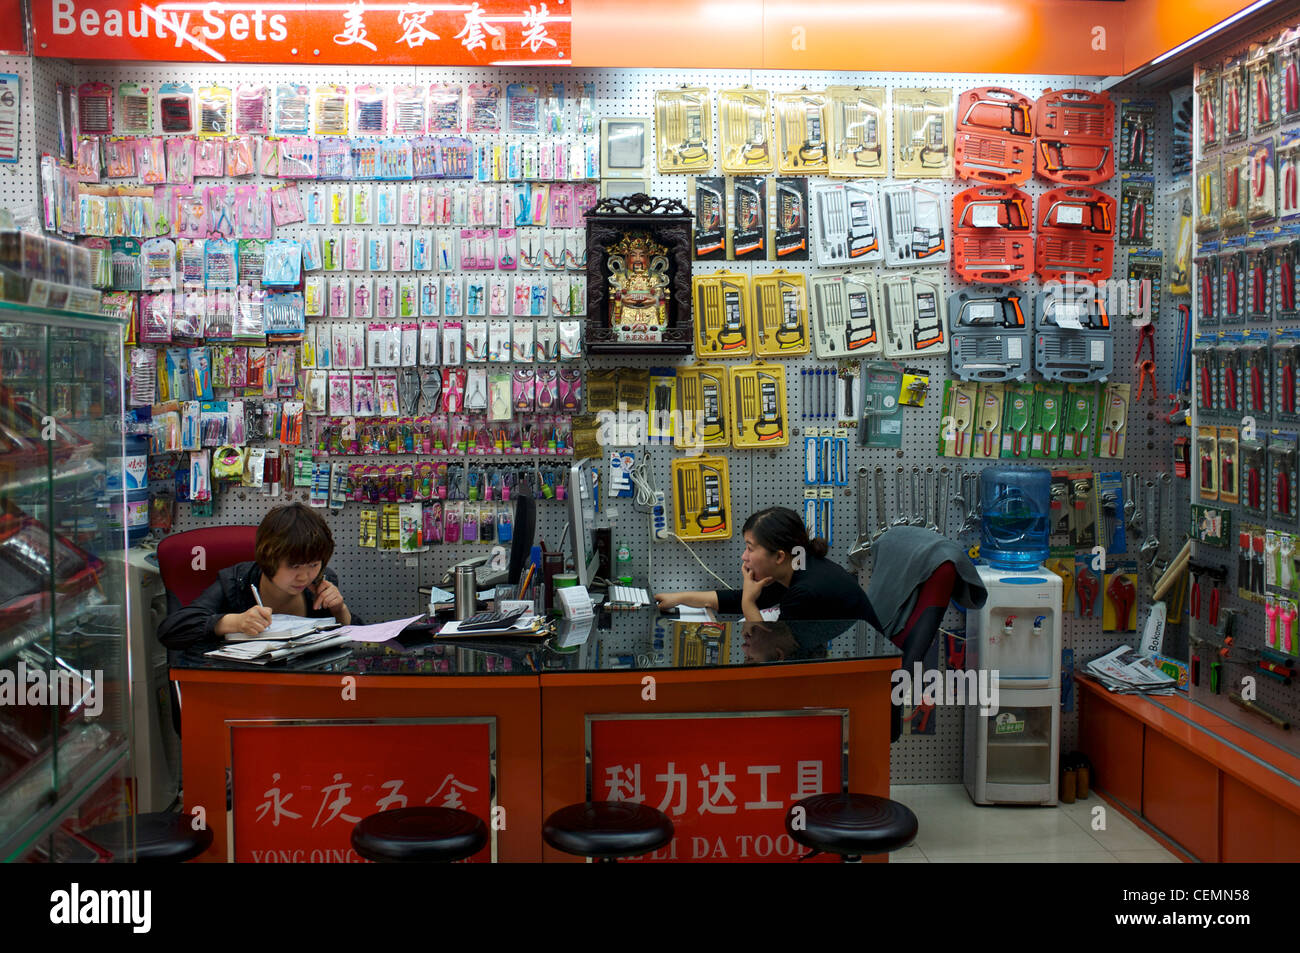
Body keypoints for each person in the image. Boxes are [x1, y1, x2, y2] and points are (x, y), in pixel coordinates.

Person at [157, 503, 361, 649]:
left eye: (314, 564)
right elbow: (171, 631)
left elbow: (364, 642)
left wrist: (340, 611)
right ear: (268, 558)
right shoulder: (235, 582)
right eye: (293, 566)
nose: (304, 576)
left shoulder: (322, 582)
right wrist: (234, 623)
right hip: (237, 693)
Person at [655, 506, 879, 624]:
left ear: (779, 556)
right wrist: (679, 598)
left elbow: (770, 649)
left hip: (863, 681)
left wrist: (749, 603)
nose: (744, 556)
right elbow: (736, 599)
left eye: (750, 549)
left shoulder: (805, 591)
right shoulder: (799, 565)